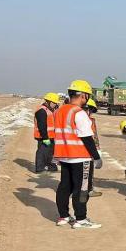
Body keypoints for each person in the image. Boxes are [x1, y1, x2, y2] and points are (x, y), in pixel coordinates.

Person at [53, 80, 103, 229]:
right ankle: (81, 219)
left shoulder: (59, 111)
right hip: (80, 157)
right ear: (83, 95)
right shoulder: (79, 113)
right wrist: (96, 157)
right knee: (81, 188)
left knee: (64, 186)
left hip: (64, 155)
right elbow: (87, 137)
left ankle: (63, 216)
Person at [33, 92, 60, 172]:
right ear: (49, 102)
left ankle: (52, 167)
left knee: (50, 152)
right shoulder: (42, 111)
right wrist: (45, 138)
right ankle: (40, 168)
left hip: (50, 136)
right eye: (54, 103)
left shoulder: (49, 110)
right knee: (42, 153)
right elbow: (42, 126)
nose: (55, 104)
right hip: (43, 137)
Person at [85, 99, 102, 197]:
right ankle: (87, 190)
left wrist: (97, 148)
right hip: (85, 150)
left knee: (88, 170)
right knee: (87, 171)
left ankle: (87, 189)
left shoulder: (90, 120)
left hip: (88, 149)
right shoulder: (84, 120)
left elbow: (94, 135)